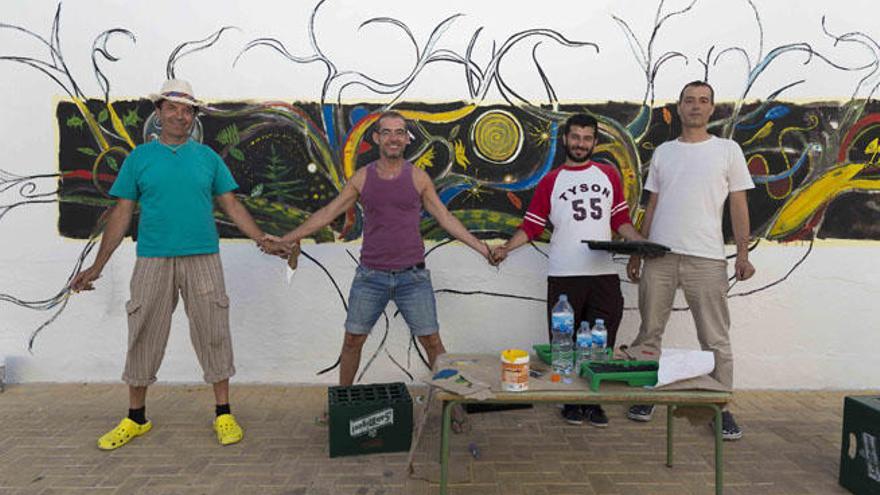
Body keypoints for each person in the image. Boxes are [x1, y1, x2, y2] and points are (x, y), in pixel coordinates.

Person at [71, 79, 277, 449]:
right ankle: (136, 418)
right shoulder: (139, 159)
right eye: (173, 108)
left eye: (187, 110)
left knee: (213, 330)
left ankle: (224, 413)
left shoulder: (208, 158)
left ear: (193, 117)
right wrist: (97, 266)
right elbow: (121, 214)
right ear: (159, 113)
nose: (180, 115)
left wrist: (261, 238)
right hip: (152, 258)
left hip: (203, 257)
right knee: (143, 331)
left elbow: (231, 205)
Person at [270, 111, 492, 391]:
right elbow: (328, 213)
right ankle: (343, 401)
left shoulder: (419, 178)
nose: (393, 138)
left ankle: (453, 406)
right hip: (370, 277)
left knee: (433, 343)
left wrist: (484, 249)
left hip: (413, 279)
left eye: (399, 132)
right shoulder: (362, 178)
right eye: (386, 132)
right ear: (377, 138)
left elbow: (446, 219)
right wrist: (286, 239)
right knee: (352, 341)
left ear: (406, 139)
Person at [490, 113, 645, 427]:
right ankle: (571, 401)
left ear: (595, 141)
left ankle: (594, 400)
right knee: (565, 343)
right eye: (576, 137)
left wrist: (642, 244)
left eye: (587, 138)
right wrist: (506, 247)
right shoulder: (552, 180)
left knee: (601, 342)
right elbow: (532, 225)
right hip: (564, 272)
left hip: (602, 273)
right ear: (565, 139)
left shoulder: (608, 175)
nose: (581, 144)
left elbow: (620, 221)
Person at [625, 80, 756, 440]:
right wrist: (640, 250)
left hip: (707, 258)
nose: (696, 106)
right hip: (659, 256)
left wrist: (742, 254)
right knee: (648, 334)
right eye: (689, 100)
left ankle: (720, 407)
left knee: (715, 338)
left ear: (712, 108)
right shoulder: (665, 152)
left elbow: (739, 205)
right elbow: (651, 204)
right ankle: (646, 394)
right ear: (680, 107)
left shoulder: (728, 150)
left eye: (703, 101)